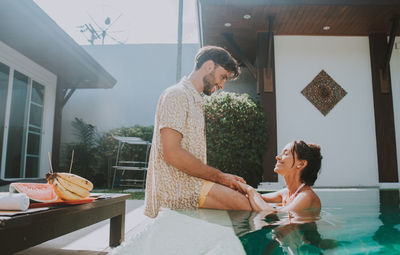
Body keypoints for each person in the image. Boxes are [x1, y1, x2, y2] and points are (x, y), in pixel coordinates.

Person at [144, 46, 252, 218]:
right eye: (223, 76)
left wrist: (221, 179)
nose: (222, 85)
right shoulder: (177, 95)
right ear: (209, 66)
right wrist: (220, 177)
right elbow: (172, 153)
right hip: (178, 189)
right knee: (245, 205)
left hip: (192, 184)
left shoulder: (196, 101)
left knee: (247, 199)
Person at [239, 140, 322, 214]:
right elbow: (259, 197)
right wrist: (237, 186)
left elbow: (270, 213)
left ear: (301, 164)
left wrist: (249, 190)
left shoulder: (306, 196)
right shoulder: (286, 193)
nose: (277, 157)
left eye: (285, 154)